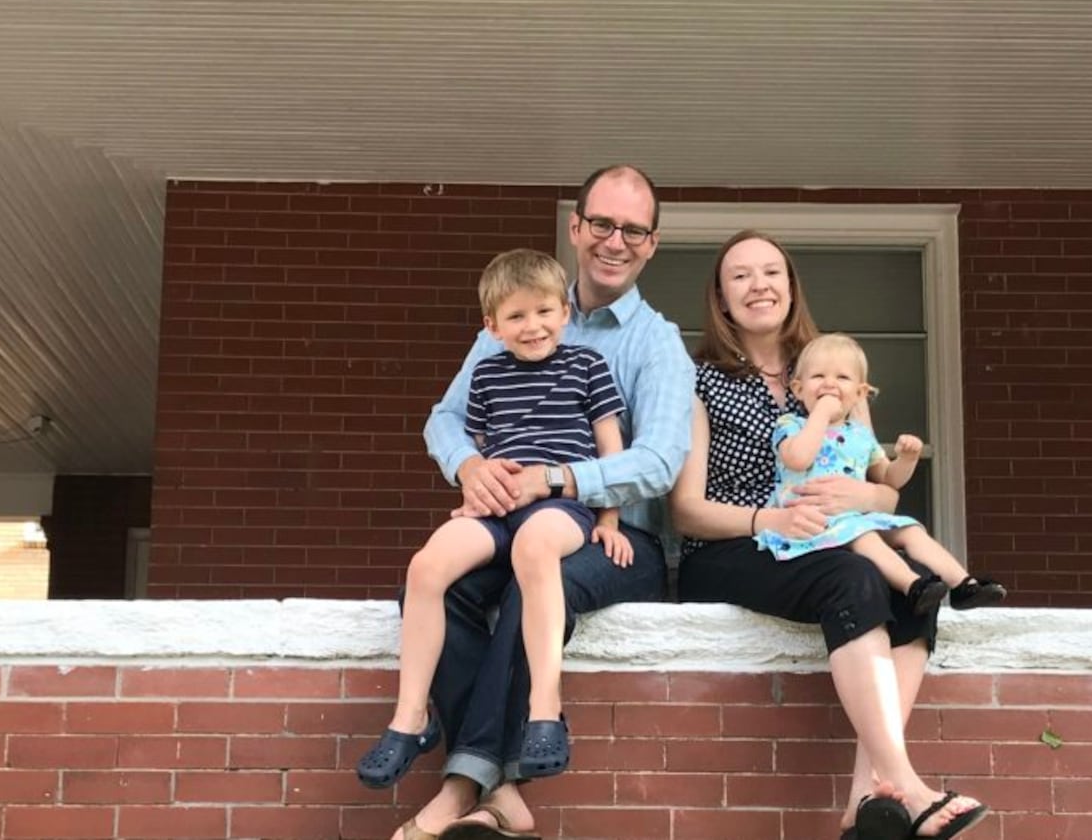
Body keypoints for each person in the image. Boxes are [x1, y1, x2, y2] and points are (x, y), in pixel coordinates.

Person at [381, 165, 694, 840]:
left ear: (652, 244)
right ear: (576, 229)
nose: (617, 241)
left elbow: (660, 461)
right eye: (603, 224)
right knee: (436, 586)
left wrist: (554, 479)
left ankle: (465, 785)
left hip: (617, 540)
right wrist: (469, 464)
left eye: (634, 230)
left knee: (533, 579)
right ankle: (507, 795)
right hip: (511, 521)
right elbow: (447, 417)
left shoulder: (656, 343)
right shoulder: (522, 307)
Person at [670, 230, 990, 840]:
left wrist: (867, 496)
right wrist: (771, 519)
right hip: (732, 549)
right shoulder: (699, 380)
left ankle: (865, 802)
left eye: (772, 272)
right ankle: (908, 785)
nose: (758, 285)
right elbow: (686, 510)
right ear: (720, 295)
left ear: (791, 287)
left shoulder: (832, 368)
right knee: (855, 576)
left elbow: (879, 485)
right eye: (740, 275)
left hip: (830, 534)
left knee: (914, 592)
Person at [357, 249, 634, 792]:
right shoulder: (485, 375)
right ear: (492, 326)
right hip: (497, 510)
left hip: (560, 507)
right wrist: (473, 489)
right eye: (516, 316)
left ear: (565, 313)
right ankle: (411, 717)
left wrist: (610, 520)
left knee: (534, 547)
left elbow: (611, 451)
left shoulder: (587, 367)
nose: (533, 327)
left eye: (544, 312)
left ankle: (543, 710)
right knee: (428, 565)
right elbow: (480, 450)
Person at [755, 332, 1006, 614]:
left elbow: (888, 478)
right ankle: (912, 585)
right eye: (818, 377)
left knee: (909, 529)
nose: (829, 384)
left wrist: (906, 459)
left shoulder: (860, 435)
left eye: (842, 378)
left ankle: (963, 585)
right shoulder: (792, 425)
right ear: (799, 389)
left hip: (853, 518)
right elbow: (798, 459)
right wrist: (821, 414)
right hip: (809, 523)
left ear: (860, 393)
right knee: (866, 538)